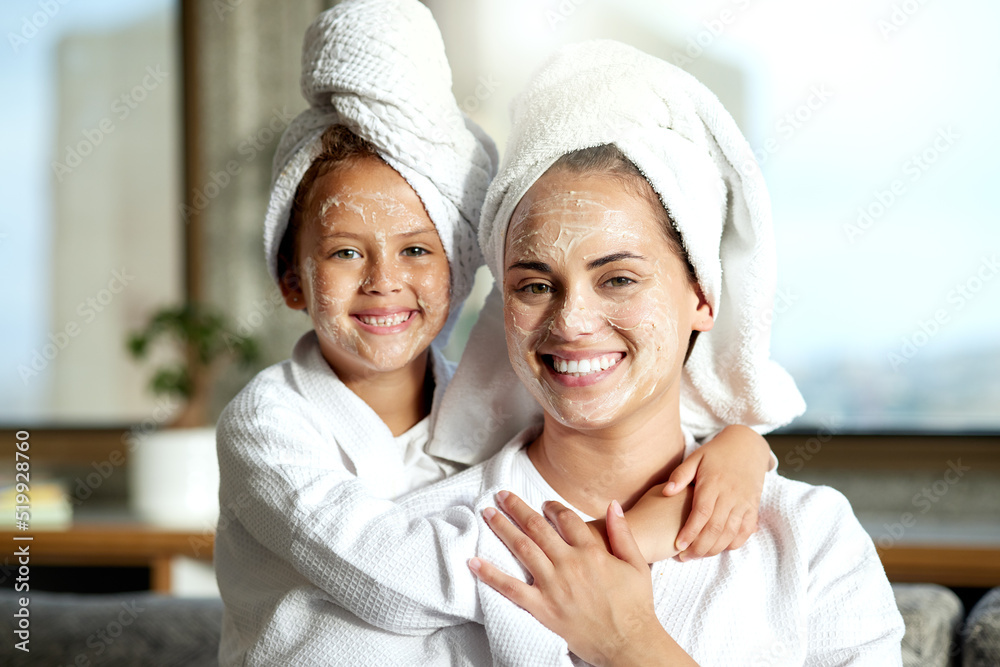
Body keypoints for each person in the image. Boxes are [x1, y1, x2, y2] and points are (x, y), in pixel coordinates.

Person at [215, 4, 777, 665]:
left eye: (417, 251)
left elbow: (619, 405)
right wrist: (638, 535)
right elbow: (394, 579)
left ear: (460, 269)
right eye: (344, 253)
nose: (383, 281)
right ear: (290, 278)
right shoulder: (269, 419)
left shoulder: (478, 413)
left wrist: (744, 445)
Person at [409, 39, 903, 664]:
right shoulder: (430, 540)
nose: (572, 320)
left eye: (618, 278)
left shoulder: (809, 539)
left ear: (702, 296)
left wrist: (630, 644)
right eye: (534, 285)